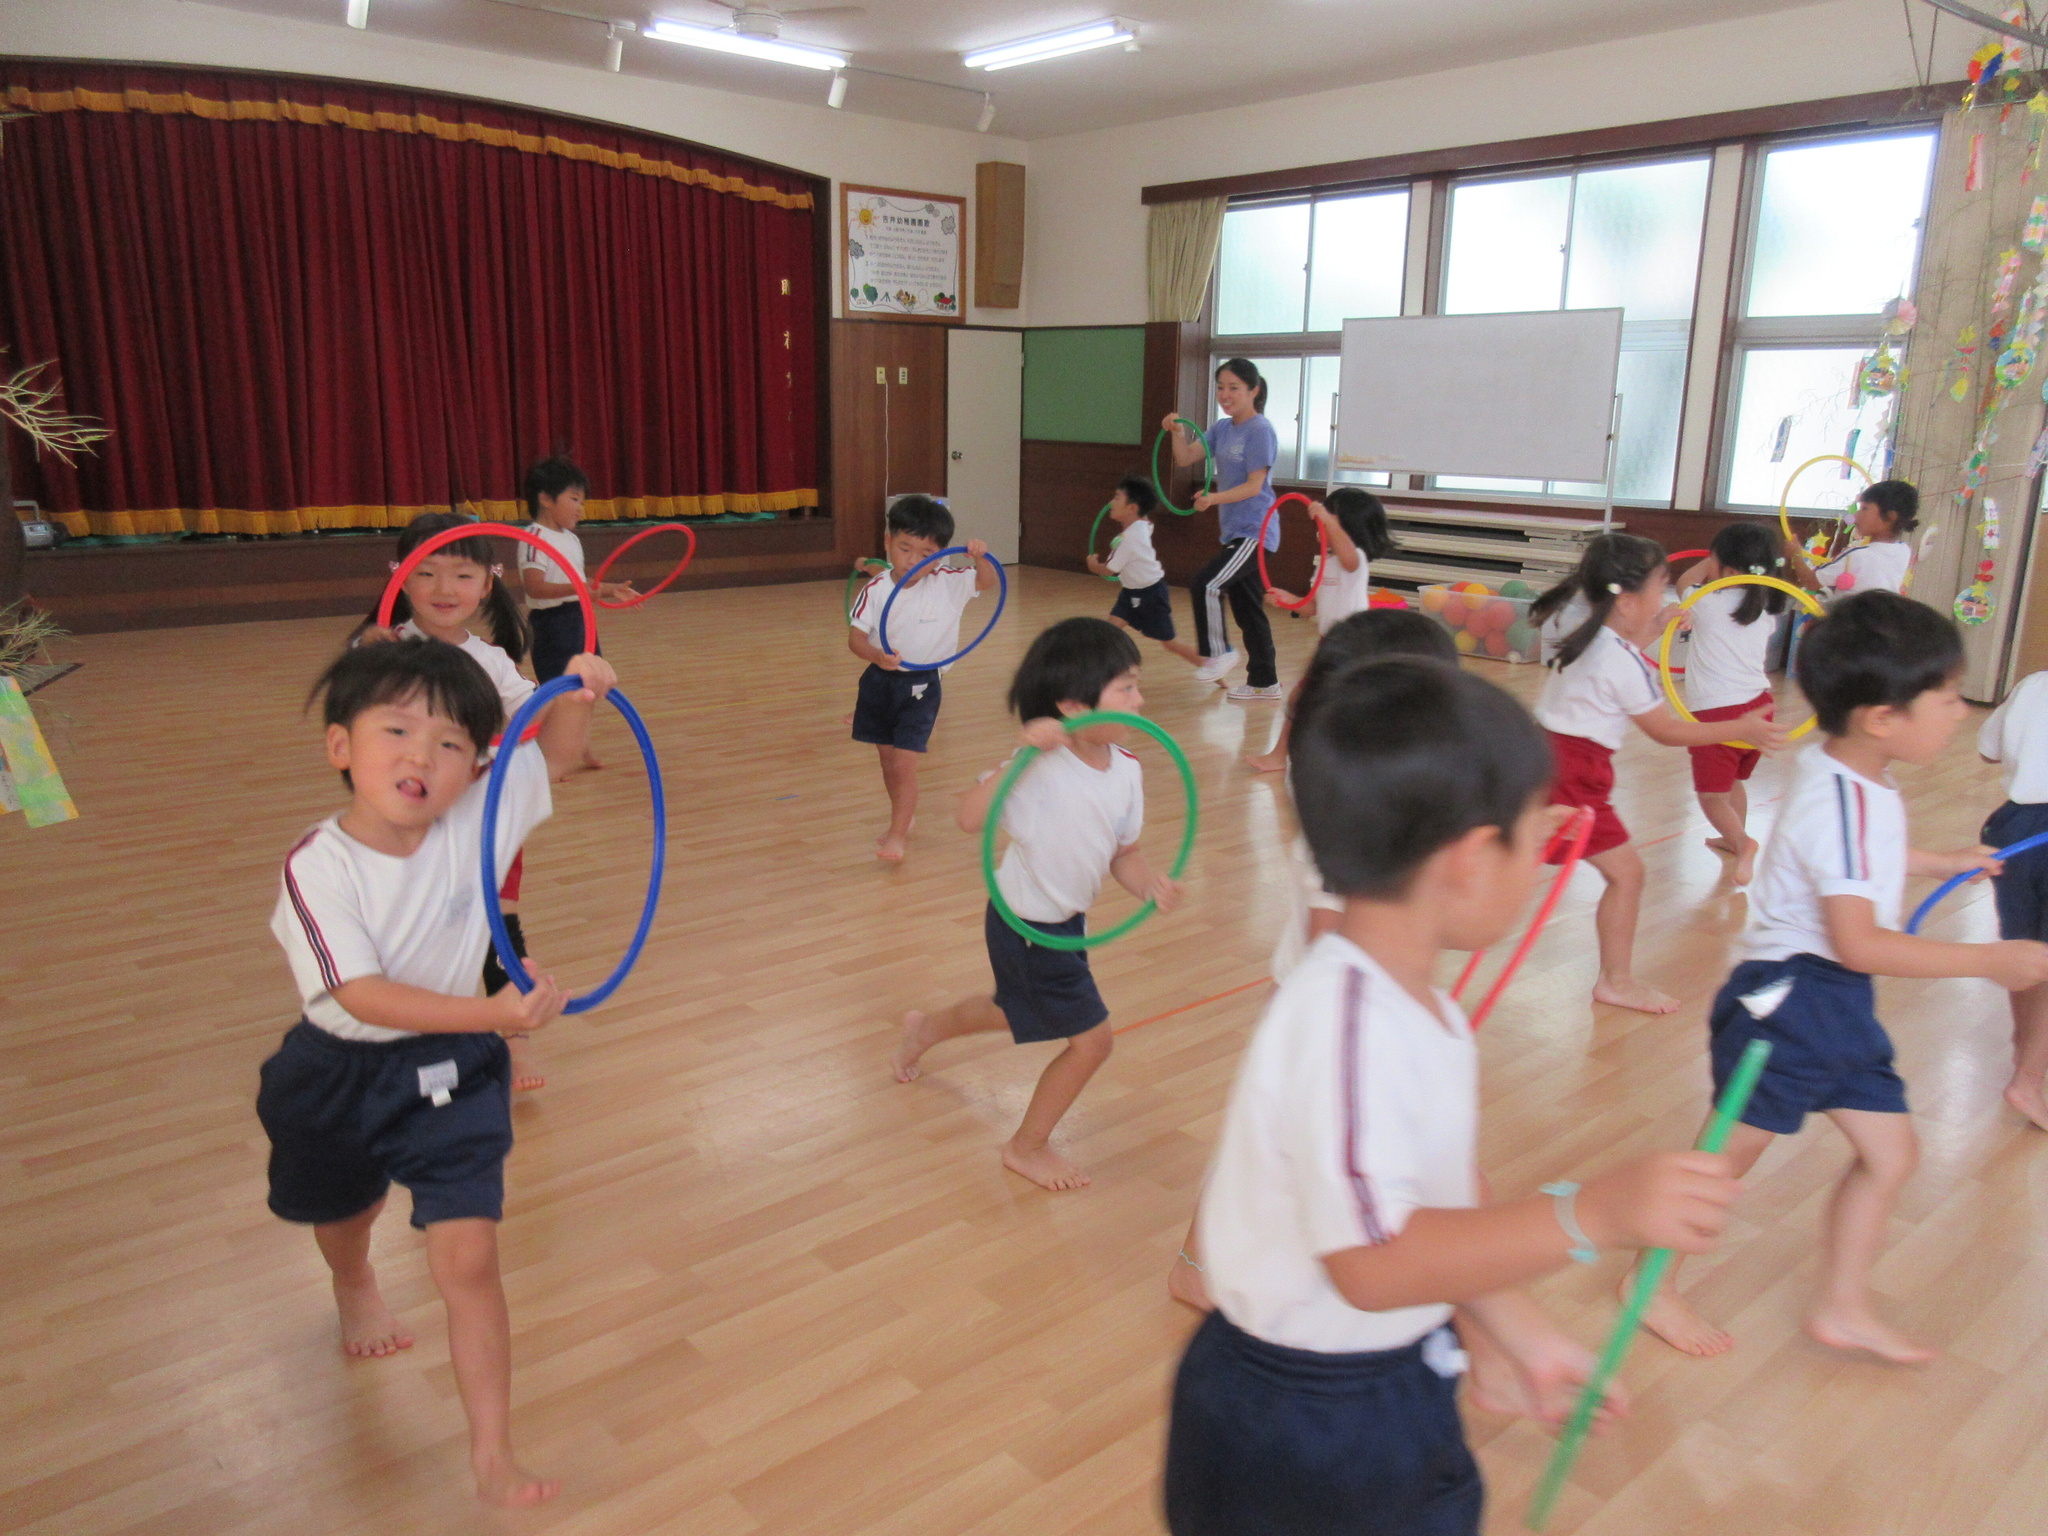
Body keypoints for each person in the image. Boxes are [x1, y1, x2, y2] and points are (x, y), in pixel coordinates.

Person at [1163, 656, 1743, 1536]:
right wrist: (1589, 1215)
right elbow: (1374, 1260)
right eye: (1527, 835)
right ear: (1471, 861)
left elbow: (1441, 1198)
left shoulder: (1414, 1007)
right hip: (1302, 1417)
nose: (1544, 852)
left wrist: (1512, 1329)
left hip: (1384, 1370)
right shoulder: (1348, 1026)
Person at [1632, 591, 2048, 1364]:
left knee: (1892, 1157)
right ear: (1882, 718)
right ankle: (1649, 1282)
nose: (1961, 711)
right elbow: (1858, 941)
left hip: (1834, 1001)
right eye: (1948, 696)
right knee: (1725, 1164)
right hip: (1789, 1001)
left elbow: (1845, 871)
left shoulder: (1847, 769)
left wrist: (1937, 861)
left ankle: (1843, 1304)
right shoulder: (1846, 801)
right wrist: (1990, 960)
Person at [259, 637, 615, 1506]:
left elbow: (561, 753)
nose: (421, 755)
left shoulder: (477, 818)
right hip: (338, 1070)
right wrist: (497, 1013)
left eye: (451, 741)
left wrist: (582, 687)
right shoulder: (318, 866)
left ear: (478, 763)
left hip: (457, 1071)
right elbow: (363, 993)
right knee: (345, 1210)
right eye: (396, 730)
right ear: (341, 746)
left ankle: (492, 1450)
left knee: (470, 1259)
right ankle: (353, 1279)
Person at [1167, 608, 1459, 1318]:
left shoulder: (1368, 789)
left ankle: (1242, 1250)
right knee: (1271, 1143)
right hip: (1315, 1003)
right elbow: (1334, 948)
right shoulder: (1349, 811)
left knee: (1281, 1140)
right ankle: (1194, 1262)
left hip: (1334, 999)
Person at [890, 617, 1181, 1191]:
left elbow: (1125, 852)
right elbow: (969, 817)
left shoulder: (1127, 772)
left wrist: (1148, 884)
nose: (1139, 699)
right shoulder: (1036, 769)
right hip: (1024, 923)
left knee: (1013, 1010)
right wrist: (1020, 753)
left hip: (1065, 923)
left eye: (1136, 685)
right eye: (1125, 687)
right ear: (1075, 707)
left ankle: (925, 1030)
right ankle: (1026, 1146)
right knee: (1092, 1042)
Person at [356, 509, 575, 1092]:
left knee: (498, 928)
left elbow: (534, 717)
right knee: (415, 936)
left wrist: (573, 692)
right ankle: (406, 1040)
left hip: (482, 819)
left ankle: (515, 1043)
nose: (444, 590)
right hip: (407, 825)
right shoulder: (383, 646)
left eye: (460, 574)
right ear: (399, 577)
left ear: (488, 580)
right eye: (426, 574)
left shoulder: (493, 661)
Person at [1529, 534, 1786, 1015]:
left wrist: (1654, 627)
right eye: (1660, 589)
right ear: (1627, 601)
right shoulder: (1620, 660)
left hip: (1552, 760)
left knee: (1560, 862)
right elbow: (1667, 731)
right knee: (1625, 875)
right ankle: (1616, 981)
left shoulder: (1593, 633)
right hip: (1574, 775)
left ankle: (1427, 893)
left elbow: (1623, 653)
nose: (1666, 598)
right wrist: (1743, 727)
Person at [847, 495, 998, 862]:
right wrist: (876, 657)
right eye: (905, 548)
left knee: (904, 763)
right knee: (886, 760)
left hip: (922, 686)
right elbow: (855, 640)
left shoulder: (948, 582)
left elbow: (988, 582)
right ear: (887, 542)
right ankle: (904, 815)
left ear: (941, 554)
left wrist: (980, 557)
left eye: (926, 552)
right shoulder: (876, 588)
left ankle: (897, 835)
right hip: (879, 683)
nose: (914, 560)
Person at [1671, 522, 1792, 886]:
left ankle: (1742, 842)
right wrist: (1718, 565)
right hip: (1760, 706)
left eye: (1715, 561)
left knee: (1710, 795)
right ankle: (1732, 837)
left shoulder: (1707, 601)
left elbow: (1681, 583)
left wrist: (1708, 564)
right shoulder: (1767, 608)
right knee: (1734, 781)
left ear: (1727, 569)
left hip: (1717, 714)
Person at [1249, 489, 1398, 772]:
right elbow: (1313, 608)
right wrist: (1286, 600)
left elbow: (1349, 557)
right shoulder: (1326, 564)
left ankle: (1287, 756)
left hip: (1353, 642)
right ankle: (1284, 756)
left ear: (1347, 525)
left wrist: (1328, 521)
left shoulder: (1355, 561)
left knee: (1319, 701)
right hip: (1331, 641)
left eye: (1332, 517)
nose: (1321, 522)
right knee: (1310, 700)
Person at [1162, 358, 1284, 701]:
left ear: (1253, 391)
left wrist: (1213, 498)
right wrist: (1176, 432)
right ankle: (1265, 681)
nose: (1225, 394)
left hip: (1256, 530)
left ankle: (1219, 652)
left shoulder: (1260, 430)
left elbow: (1254, 486)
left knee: (1206, 582)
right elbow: (1185, 458)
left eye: (1234, 388)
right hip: (1235, 531)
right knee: (1248, 610)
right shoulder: (1221, 428)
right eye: (1220, 387)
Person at [516, 456, 638, 773]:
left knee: (588, 687)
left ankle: (579, 748)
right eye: (574, 499)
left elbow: (580, 584)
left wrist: (610, 589)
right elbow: (536, 588)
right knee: (559, 691)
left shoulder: (571, 539)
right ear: (545, 498)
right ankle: (549, 755)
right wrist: (579, 590)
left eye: (582, 502)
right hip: (552, 625)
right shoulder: (533, 539)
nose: (580, 509)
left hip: (580, 620)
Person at [1977, 663, 2048, 1130]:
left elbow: (1988, 750)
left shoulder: (2034, 683)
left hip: (2012, 828)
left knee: (2025, 948)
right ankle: (2029, 1077)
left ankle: (2027, 1045)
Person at [1086, 475, 1202, 669]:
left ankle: (1209, 665)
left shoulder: (1131, 538)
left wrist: (1093, 565)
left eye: (1116, 498)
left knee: (1171, 643)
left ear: (1132, 508)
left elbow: (1110, 570)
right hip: (1130, 593)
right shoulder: (1139, 526)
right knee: (1110, 631)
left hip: (1151, 596)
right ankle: (1096, 672)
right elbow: (1145, 520)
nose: (1110, 502)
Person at [1783, 478, 1918, 598]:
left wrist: (1796, 555)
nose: (1856, 515)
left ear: (1890, 516)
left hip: (1849, 622)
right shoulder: (1903, 550)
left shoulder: (1857, 555)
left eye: (1865, 508)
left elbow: (1812, 582)